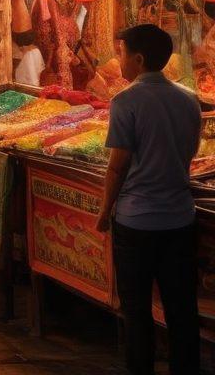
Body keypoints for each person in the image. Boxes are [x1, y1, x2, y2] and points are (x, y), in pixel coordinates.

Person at [97, 24, 201, 375]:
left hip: (136, 221)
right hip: (180, 218)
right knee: (181, 309)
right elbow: (189, 153)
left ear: (138, 59)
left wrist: (104, 212)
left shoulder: (125, 101)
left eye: (122, 53)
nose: (119, 60)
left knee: (137, 310)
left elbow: (117, 167)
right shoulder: (189, 99)